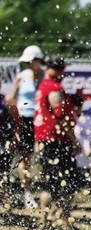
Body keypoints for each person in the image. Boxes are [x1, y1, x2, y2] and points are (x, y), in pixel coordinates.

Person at [33, 56, 80, 230]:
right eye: (62, 69)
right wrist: (74, 141)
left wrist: (37, 141)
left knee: (48, 182)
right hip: (58, 141)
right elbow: (61, 117)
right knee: (67, 183)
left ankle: (44, 221)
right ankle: (64, 220)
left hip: (46, 140)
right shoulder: (54, 88)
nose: (63, 73)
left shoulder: (42, 86)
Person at [10, 45, 45, 209]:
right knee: (24, 157)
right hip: (23, 119)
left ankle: (42, 191)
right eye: (28, 62)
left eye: (32, 61)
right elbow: (12, 98)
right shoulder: (21, 76)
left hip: (39, 119)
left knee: (38, 157)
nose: (30, 64)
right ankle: (27, 192)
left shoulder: (44, 76)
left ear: (39, 60)